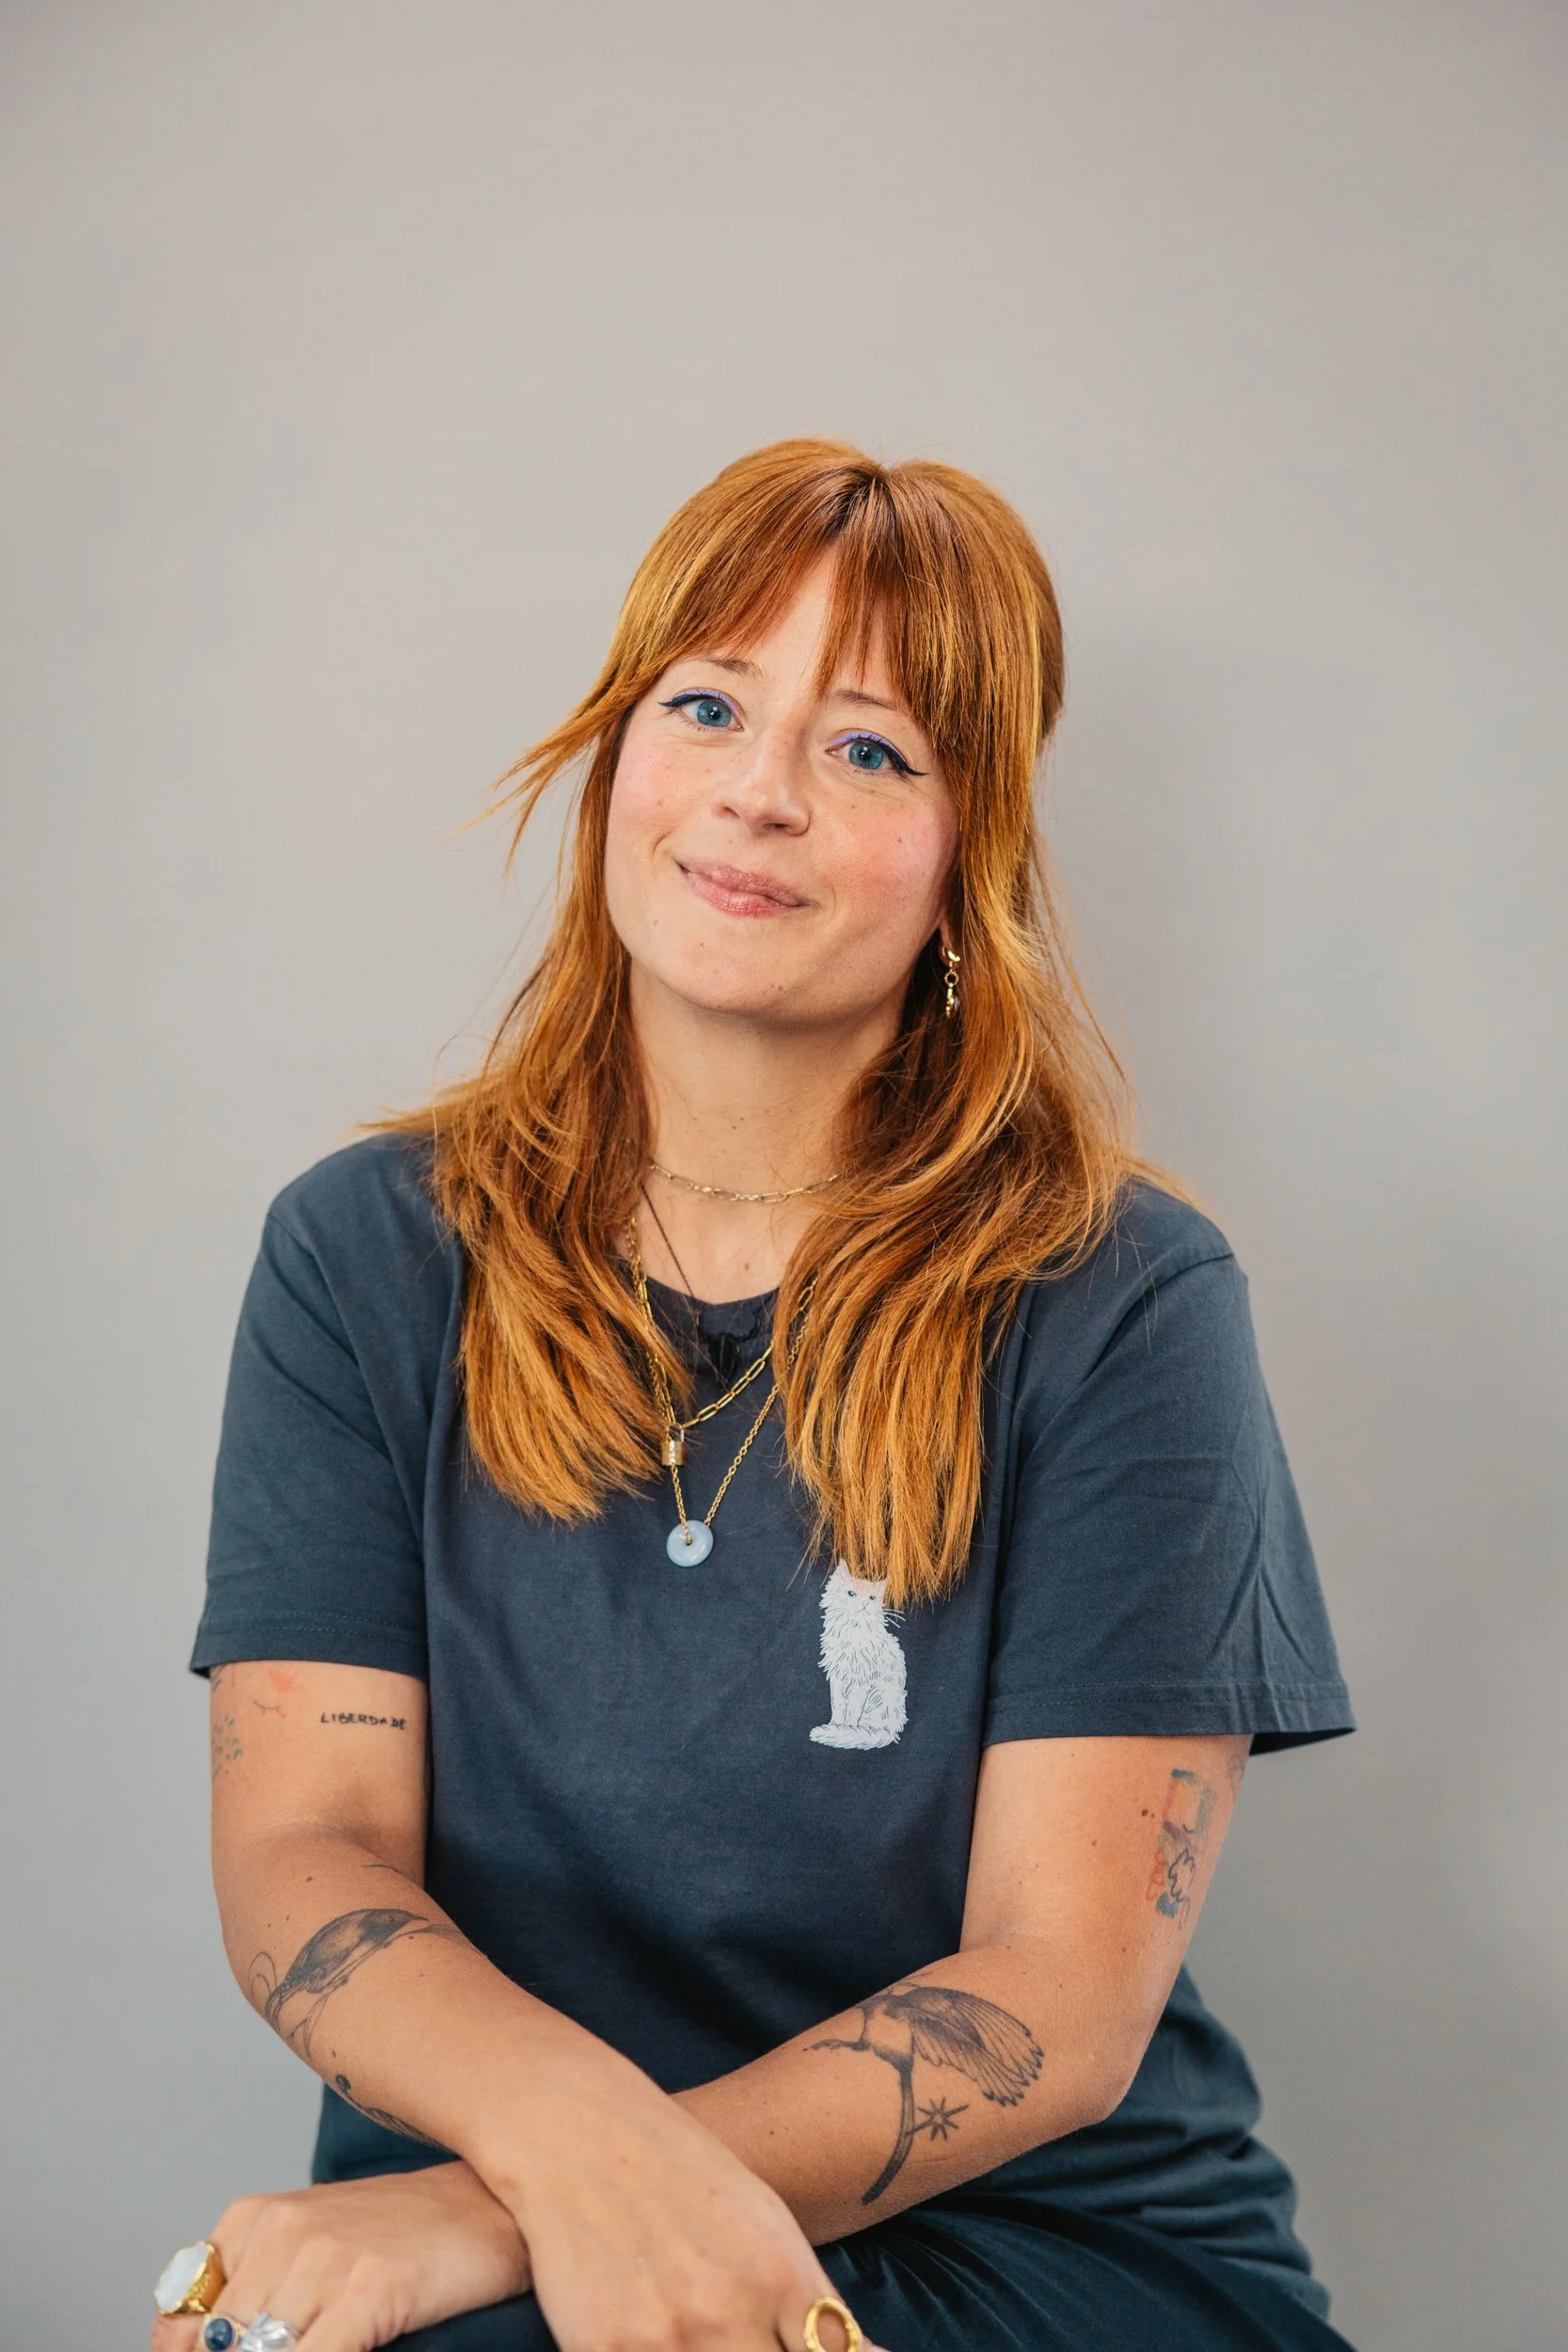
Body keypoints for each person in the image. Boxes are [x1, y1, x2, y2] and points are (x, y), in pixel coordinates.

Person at [154, 439, 1356, 2352]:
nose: (759, 790)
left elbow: (1054, 1983)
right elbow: (313, 1853)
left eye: (870, 748)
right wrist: (557, 2180)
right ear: (616, 764)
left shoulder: (1120, 1293)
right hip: (516, 2226)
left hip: (1034, 2242)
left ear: (967, 865)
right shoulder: (363, 1252)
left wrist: (488, 2213)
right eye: (706, 702)